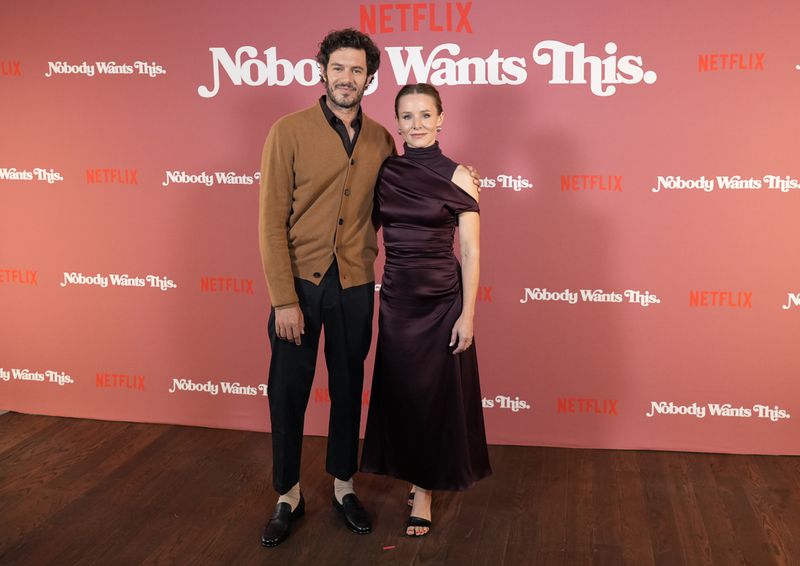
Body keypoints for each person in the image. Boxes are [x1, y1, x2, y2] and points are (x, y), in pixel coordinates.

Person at [257, 28, 395, 548]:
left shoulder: (383, 139)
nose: (347, 78)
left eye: (357, 70)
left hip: (356, 286)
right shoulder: (287, 131)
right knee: (288, 392)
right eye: (339, 68)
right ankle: (287, 494)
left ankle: (343, 484)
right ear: (322, 71)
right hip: (298, 286)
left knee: (346, 389)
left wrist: (454, 181)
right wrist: (283, 300)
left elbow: (395, 207)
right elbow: (271, 223)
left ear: (370, 79)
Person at [360, 83, 492, 537]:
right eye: (407, 116)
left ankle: (423, 490)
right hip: (396, 299)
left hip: (442, 300)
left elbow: (472, 252)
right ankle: (408, 472)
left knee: (435, 397)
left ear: (441, 118)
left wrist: (468, 314)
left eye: (424, 115)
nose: (416, 124)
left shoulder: (460, 176)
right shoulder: (385, 172)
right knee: (404, 393)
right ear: (396, 122)